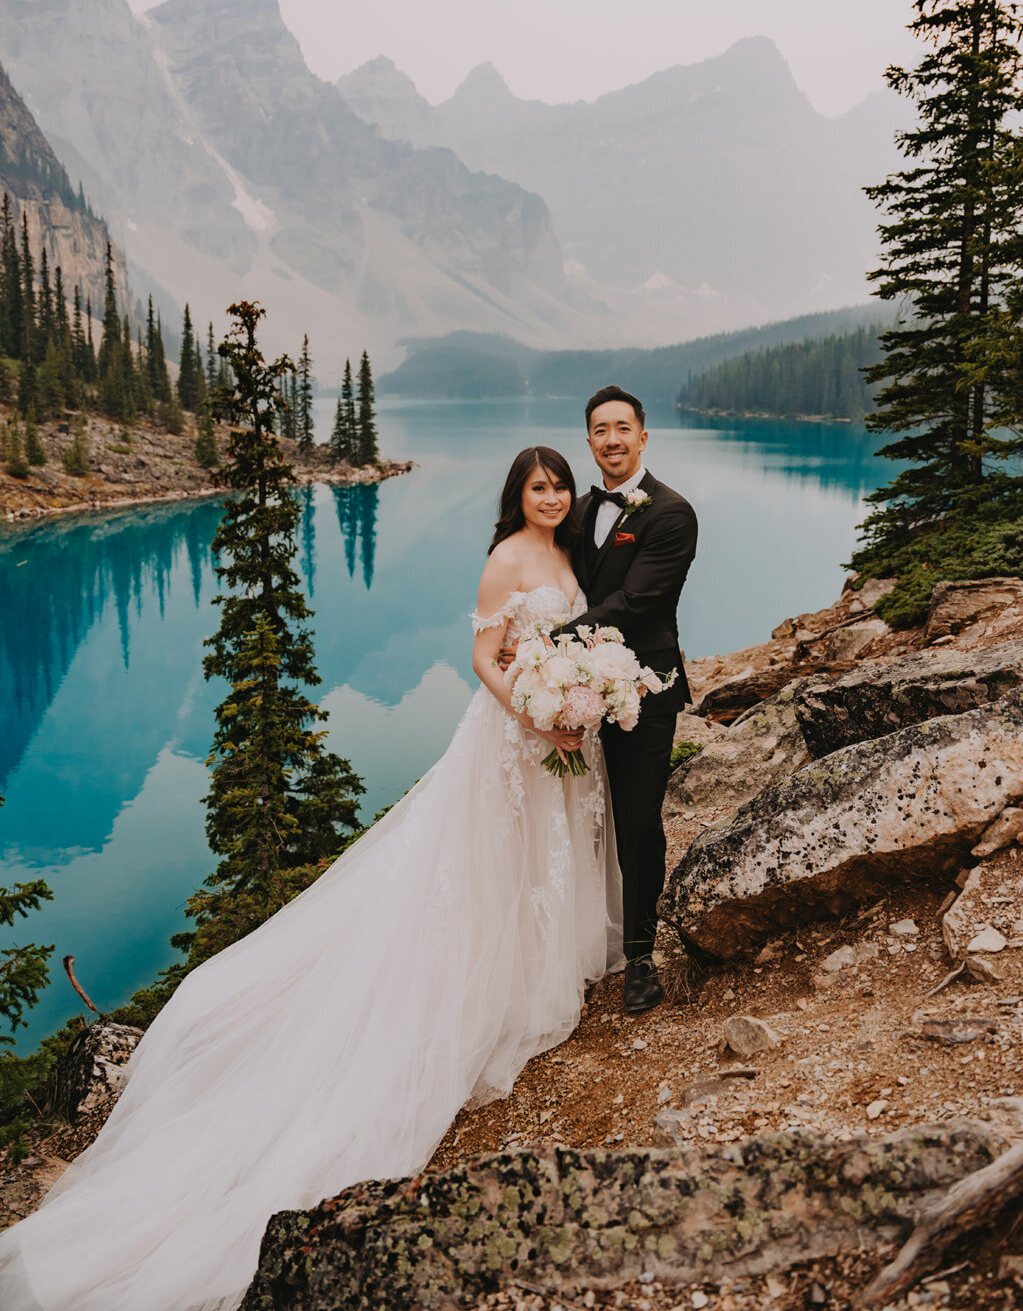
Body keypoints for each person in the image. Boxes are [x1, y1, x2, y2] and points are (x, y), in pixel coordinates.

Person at [0, 446, 622, 1311]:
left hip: (561, 736)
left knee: (537, 864)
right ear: (516, 495)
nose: (551, 497)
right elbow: (483, 660)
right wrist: (535, 708)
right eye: (537, 486)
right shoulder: (506, 558)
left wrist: (579, 693)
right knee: (488, 865)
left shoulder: (569, 553)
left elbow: (573, 637)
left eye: (558, 486)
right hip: (513, 738)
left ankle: (542, 970)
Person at [563, 386, 698, 1014]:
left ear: (643, 436)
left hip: (643, 689)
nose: (611, 439)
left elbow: (638, 601)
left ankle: (640, 958)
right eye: (599, 430)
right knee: (573, 817)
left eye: (622, 427)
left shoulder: (672, 513)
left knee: (638, 822)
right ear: (589, 442)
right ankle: (575, 943)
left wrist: (556, 638)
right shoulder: (578, 508)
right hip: (573, 692)